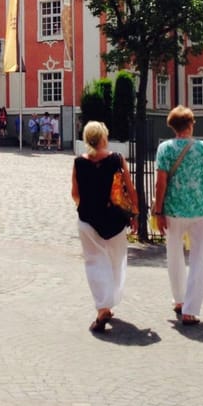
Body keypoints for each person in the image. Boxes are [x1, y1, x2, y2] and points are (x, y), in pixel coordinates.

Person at [153, 105, 203, 327]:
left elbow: (160, 183)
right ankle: (191, 310)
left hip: (174, 210)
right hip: (201, 210)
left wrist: (158, 210)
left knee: (174, 254)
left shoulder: (165, 148)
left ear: (173, 127)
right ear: (190, 124)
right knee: (199, 258)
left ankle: (179, 300)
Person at [71, 120, 135, 333]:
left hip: (88, 219)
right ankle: (110, 300)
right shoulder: (117, 159)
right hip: (115, 219)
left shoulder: (79, 162)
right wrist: (134, 213)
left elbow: (75, 193)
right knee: (116, 261)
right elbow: (129, 187)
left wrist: (85, 206)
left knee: (94, 262)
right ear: (105, 138)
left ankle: (102, 307)